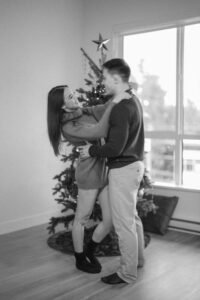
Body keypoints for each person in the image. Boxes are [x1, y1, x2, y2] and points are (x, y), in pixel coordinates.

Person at [47, 85, 130, 274]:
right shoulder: (69, 126)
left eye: (73, 92)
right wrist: (116, 101)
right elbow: (99, 131)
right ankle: (79, 258)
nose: (75, 96)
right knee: (82, 219)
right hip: (88, 174)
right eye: (70, 96)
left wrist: (121, 94)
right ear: (61, 106)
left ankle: (90, 250)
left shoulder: (81, 111)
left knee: (109, 220)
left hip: (103, 171)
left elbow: (101, 109)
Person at [79, 58, 145, 284]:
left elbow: (115, 147)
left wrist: (91, 150)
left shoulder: (120, 108)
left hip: (124, 169)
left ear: (116, 79)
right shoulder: (132, 100)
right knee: (132, 218)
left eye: (105, 77)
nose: (102, 82)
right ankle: (138, 261)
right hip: (134, 166)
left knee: (123, 223)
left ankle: (126, 273)